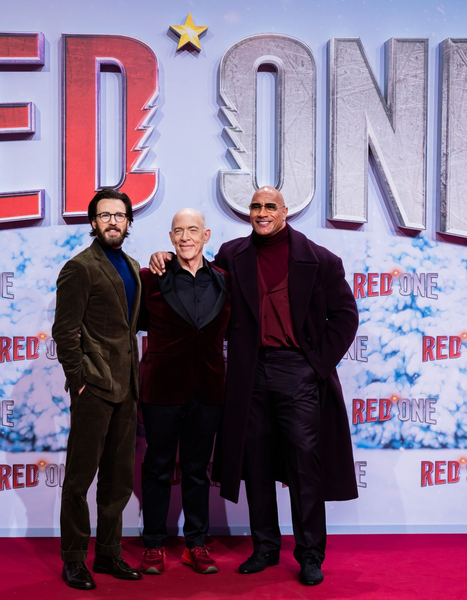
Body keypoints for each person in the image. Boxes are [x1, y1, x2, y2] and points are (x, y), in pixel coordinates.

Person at [150, 186, 359, 586]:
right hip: (250, 374)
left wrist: (315, 365)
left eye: (270, 206)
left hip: (298, 371)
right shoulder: (233, 255)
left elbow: (346, 316)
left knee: (304, 466)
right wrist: (165, 257)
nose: (262, 212)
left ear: (284, 212)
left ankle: (310, 553)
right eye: (256, 206)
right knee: (257, 463)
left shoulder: (321, 259)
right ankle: (265, 547)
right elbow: (198, 275)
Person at [52, 189, 144, 590]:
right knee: (79, 480)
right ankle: (74, 559)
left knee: (118, 480)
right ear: (93, 222)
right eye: (104, 215)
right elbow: (64, 331)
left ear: (128, 222)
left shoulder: (133, 266)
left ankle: (108, 553)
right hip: (94, 388)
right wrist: (80, 382)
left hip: (127, 388)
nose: (112, 222)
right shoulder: (80, 267)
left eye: (119, 215)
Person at [137, 209, 231, 576]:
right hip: (161, 389)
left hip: (208, 389)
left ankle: (196, 544)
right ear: (170, 237)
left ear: (206, 235)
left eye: (193, 230)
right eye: (179, 231)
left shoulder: (224, 280)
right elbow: (131, 325)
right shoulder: (151, 278)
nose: (186, 237)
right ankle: (153, 544)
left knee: (196, 471)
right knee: (157, 468)